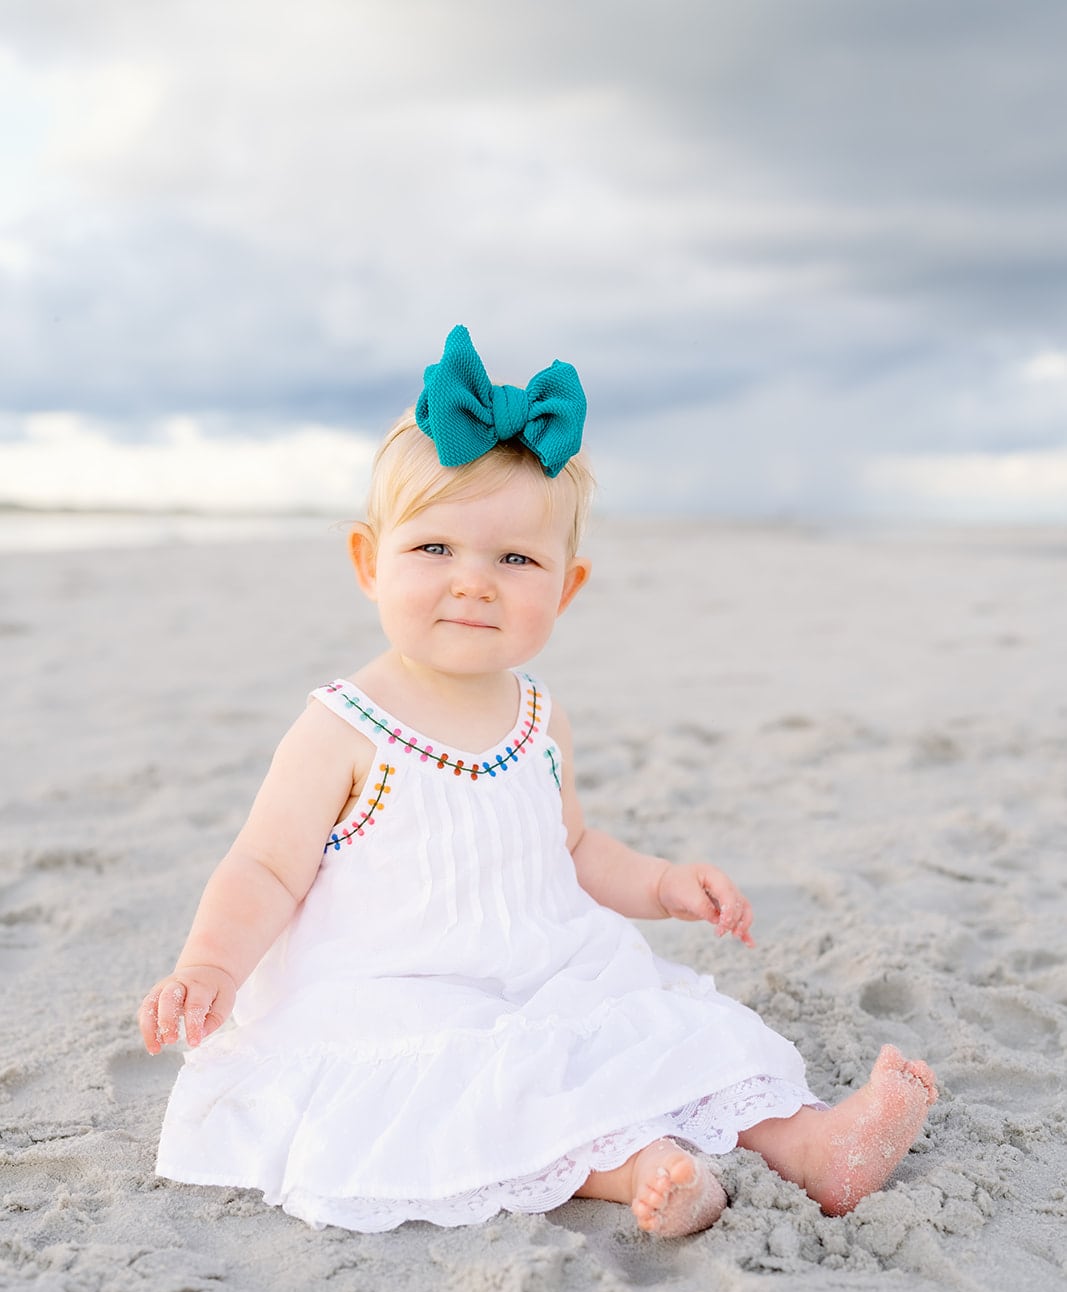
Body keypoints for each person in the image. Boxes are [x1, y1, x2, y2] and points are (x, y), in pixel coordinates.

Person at [140, 325, 937, 1238]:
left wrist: (662, 884)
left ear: (565, 587)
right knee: (488, 1088)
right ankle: (645, 1173)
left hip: (547, 964)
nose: (473, 583)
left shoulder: (537, 715)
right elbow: (264, 868)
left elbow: (573, 846)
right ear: (368, 562)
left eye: (514, 560)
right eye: (433, 549)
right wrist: (210, 966)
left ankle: (813, 1146)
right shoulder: (344, 726)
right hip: (404, 983)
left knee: (670, 1031)